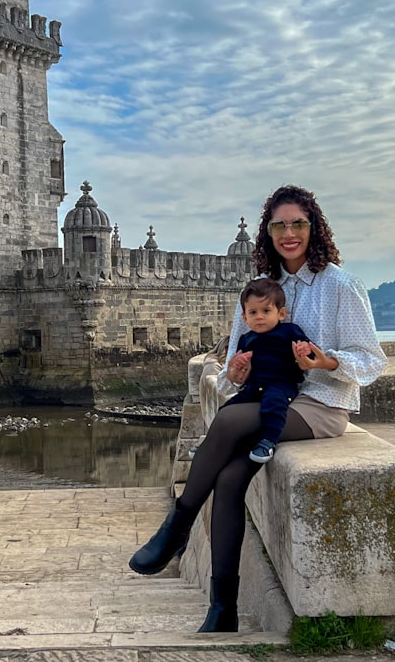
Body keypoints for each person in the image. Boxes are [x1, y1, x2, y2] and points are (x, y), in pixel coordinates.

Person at [128, 184, 387, 634]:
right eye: (279, 225)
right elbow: (230, 368)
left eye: (298, 224)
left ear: (314, 228)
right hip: (265, 398)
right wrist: (239, 370)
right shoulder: (258, 292)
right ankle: (221, 608)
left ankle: (179, 525)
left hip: (320, 404)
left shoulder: (340, 286)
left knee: (228, 419)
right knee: (228, 481)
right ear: (267, 232)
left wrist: (325, 361)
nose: (289, 233)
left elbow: (371, 359)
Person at [226, 276, 314, 463]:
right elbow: (240, 366)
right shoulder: (246, 338)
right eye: (253, 312)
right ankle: (213, 440)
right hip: (254, 385)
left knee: (273, 406)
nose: (259, 317)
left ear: (281, 314)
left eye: (266, 311)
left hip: (281, 384)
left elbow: (309, 352)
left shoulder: (289, 331)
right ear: (245, 317)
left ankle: (268, 441)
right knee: (227, 409)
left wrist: (305, 350)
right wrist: (238, 363)